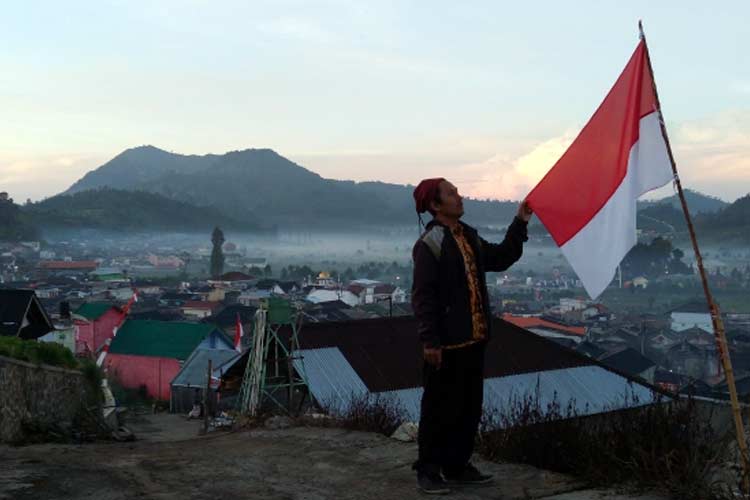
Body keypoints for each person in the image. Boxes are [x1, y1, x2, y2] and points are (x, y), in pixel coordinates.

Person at [411, 178, 531, 494]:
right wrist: (430, 341)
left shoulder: (469, 237)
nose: (459, 197)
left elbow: (502, 257)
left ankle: (457, 465)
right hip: (446, 344)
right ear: (436, 206)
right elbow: (423, 296)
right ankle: (428, 469)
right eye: (451, 194)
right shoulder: (431, 244)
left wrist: (520, 222)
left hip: (474, 339)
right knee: (438, 407)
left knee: (468, 407)